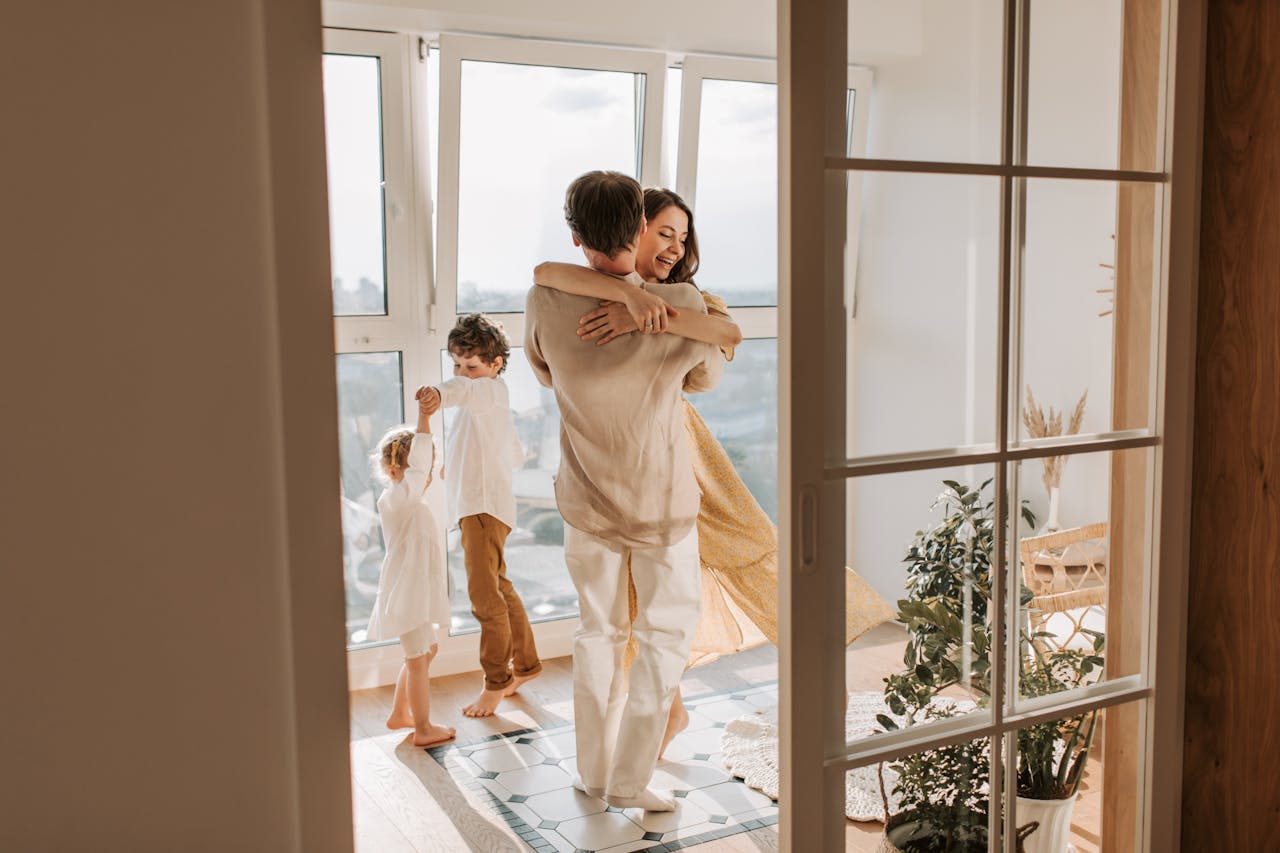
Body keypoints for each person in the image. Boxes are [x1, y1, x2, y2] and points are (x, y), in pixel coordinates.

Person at [535, 187, 896, 756]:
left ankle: (811, 641)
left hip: (678, 450)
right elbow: (548, 269)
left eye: (683, 238)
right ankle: (664, 715)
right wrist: (629, 300)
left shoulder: (690, 301)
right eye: (664, 234)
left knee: (735, 554)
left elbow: (722, 346)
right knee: (633, 603)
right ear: (633, 233)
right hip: (621, 466)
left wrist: (646, 316)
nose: (675, 248)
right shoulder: (585, 291)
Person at [525, 171, 724, 812]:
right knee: (663, 637)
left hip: (585, 500)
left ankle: (592, 771)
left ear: (575, 233)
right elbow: (705, 379)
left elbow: (542, 370)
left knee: (596, 635)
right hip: (661, 502)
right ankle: (632, 780)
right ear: (640, 228)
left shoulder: (543, 299)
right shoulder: (684, 306)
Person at [417, 314, 542, 718]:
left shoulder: (483, 392)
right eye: (456, 365)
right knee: (500, 587)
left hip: (482, 510)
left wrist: (439, 390)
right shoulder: (493, 398)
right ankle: (524, 665)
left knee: (485, 598)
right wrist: (458, 464)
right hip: (488, 506)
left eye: (471, 366)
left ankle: (496, 681)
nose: (463, 374)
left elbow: (460, 392)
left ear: (495, 364)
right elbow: (514, 452)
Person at [367, 393, 457, 748]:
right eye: (424, 469)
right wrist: (424, 421)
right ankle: (422, 728)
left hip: (416, 592)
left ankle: (399, 713)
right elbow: (417, 469)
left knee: (425, 653)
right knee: (418, 660)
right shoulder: (398, 498)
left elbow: (419, 471)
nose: (428, 475)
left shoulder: (409, 500)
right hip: (407, 594)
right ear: (394, 471)